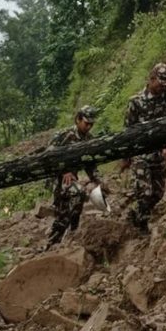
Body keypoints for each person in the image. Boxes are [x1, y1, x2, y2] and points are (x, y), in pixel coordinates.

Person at [124, 63, 166, 233]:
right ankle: (142, 227)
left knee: (158, 194)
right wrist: (127, 155)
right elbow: (128, 130)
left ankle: (136, 215)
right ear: (152, 79)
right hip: (141, 155)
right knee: (145, 193)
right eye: (161, 83)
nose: (163, 88)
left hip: (159, 154)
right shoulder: (136, 101)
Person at [45, 105, 101, 248]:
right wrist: (64, 170)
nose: (88, 127)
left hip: (71, 179)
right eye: (86, 123)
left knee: (71, 205)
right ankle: (53, 242)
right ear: (78, 120)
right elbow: (48, 156)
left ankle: (67, 232)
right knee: (74, 199)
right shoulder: (63, 135)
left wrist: (97, 180)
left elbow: (90, 163)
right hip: (57, 177)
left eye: (91, 124)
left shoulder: (89, 139)